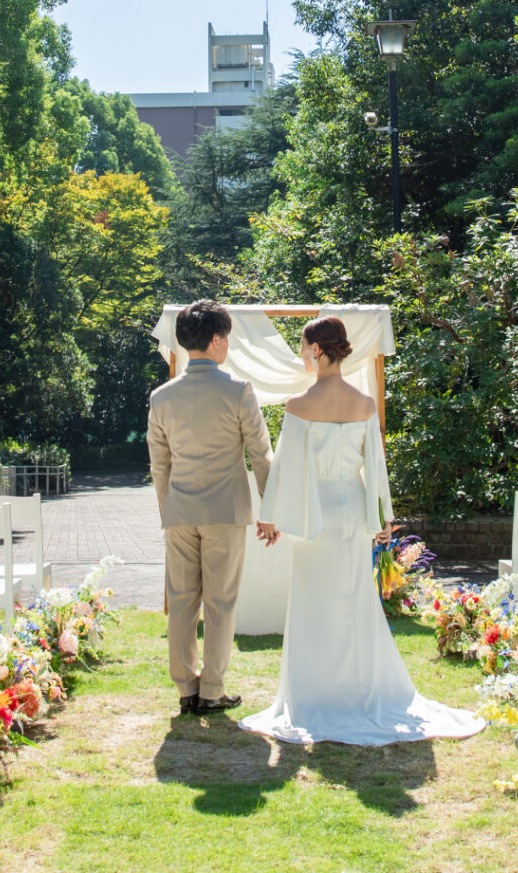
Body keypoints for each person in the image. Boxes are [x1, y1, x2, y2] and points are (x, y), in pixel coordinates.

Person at [239, 316, 484, 745]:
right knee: (353, 599)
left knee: (313, 601)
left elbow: (285, 468)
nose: (300, 353)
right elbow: (376, 467)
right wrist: (382, 517)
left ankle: (316, 694)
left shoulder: (298, 406)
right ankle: (356, 689)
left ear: (317, 349)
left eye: (301, 345)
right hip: (352, 510)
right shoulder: (364, 405)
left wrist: (270, 517)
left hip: (316, 515)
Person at [147, 300, 277, 716]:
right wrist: (269, 509)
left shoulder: (161, 396)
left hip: (180, 510)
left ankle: (186, 687)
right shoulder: (238, 390)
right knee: (221, 601)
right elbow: (261, 455)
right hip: (226, 511)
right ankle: (213, 689)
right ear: (217, 341)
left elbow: (159, 463)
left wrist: (169, 508)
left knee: (182, 599)